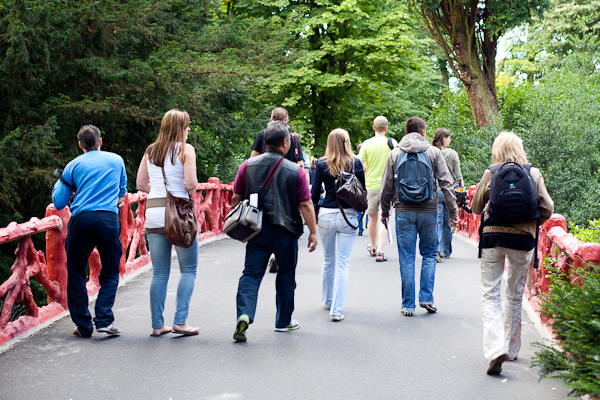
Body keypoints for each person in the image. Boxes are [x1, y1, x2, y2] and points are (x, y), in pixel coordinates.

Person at [471, 131, 553, 375]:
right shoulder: (533, 173)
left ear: (497, 150)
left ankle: (496, 348)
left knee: (490, 294)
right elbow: (547, 208)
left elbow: (475, 207)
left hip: (493, 238)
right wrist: (529, 223)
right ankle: (512, 349)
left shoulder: (492, 172)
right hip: (522, 240)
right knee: (515, 294)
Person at [231, 121, 318, 342]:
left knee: (251, 274)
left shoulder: (247, 165)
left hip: (256, 229)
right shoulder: (295, 171)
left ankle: (244, 313)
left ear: (265, 142)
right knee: (286, 275)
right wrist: (313, 232)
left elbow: (235, 197)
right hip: (286, 231)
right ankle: (283, 321)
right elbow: (306, 204)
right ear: (286, 142)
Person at [52, 125, 127, 337]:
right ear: (100, 141)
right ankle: (103, 319)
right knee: (111, 270)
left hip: (81, 220)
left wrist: (61, 181)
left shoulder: (73, 166)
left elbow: (58, 202)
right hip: (107, 220)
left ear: (80, 145)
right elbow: (122, 193)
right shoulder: (116, 160)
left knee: (76, 271)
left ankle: (84, 326)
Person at [380, 117, 457, 317]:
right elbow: (446, 183)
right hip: (429, 210)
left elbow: (386, 187)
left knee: (406, 257)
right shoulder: (433, 153)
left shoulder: (395, 154)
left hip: (403, 211)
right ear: (423, 132)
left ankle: (407, 304)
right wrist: (453, 211)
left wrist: (384, 212)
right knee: (430, 254)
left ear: (406, 133)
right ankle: (427, 298)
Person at [136, 109, 200, 337]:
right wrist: (188, 192)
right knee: (189, 270)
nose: (189, 129)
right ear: (180, 128)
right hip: (179, 216)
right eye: (187, 125)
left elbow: (140, 184)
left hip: (154, 213)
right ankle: (180, 322)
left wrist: (159, 191)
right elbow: (191, 183)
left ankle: (157, 325)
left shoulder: (150, 150)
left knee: (160, 273)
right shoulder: (186, 150)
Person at [311, 129, 366, 322]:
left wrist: (315, 217)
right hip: (347, 215)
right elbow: (362, 192)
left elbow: (314, 194)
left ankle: (327, 300)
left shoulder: (321, 164)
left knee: (328, 260)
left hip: (326, 215)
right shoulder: (356, 163)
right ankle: (337, 309)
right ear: (347, 142)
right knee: (342, 263)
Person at [251, 107, 306, 273]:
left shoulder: (263, 134)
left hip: (264, 185)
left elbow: (252, 159)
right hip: (288, 184)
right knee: (286, 220)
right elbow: (300, 165)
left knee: (265, 220)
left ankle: (266, 253)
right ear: (286, 120)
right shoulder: (293, 138)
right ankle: (278, 254)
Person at [358, 116, 397, 262]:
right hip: (388, 187)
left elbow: (360, 165)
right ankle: (381, 251)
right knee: (384, 218)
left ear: (373, 127)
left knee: (372, 217)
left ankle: (373, 246)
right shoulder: (393, 143)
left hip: (371, 186)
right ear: (386, 128)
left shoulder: (367, 144)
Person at [432, 128, 464, 261]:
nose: (450, 140)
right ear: (444, 139)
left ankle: (436, 249)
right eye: (449, 138)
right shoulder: (452, 154)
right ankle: (446, 251)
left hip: (435, 192)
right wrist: (462, 192)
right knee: (447, 222)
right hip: (449, 193)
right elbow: (458, 176)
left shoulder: (431, 152)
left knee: (437, 222)